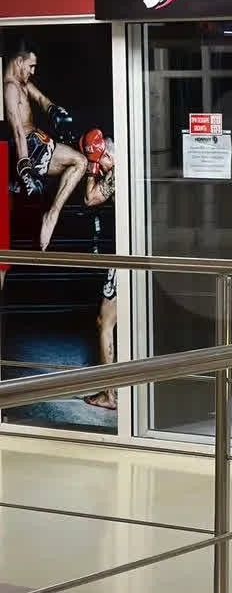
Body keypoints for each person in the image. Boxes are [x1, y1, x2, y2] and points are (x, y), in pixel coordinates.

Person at [3, 45, 86, 251]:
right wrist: (25, 168)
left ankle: (51, 214)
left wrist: (53, 110)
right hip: (29, 148)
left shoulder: (23, 83)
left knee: (80, 161)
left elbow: (41, 99)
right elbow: (18, 131)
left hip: (38, 141)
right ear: (19, 62)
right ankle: (51, 215)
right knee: (80, 162)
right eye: (30, 66)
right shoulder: (10, 89)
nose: (33, 71)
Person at [80, 129, 118, 410]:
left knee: (105, 323)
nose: (100, 167)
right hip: (136, 252)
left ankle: (110, 395)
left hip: (126, 257)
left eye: (99, 162)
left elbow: (90, 199)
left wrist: (91, 171)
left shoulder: (116, 172)